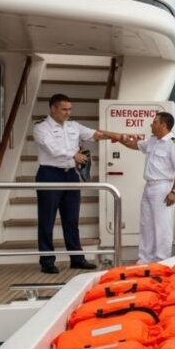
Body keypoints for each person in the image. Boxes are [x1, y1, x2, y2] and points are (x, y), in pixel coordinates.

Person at [32, 93, 111, 274]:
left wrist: (118, 136)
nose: (68, 113)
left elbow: (94, 134)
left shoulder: (73, 126)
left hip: (70, 175)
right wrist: (73, 154)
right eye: (64, 109)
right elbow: (52, 149)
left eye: (70, 109)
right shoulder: (41, 128)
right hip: (49, 174)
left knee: (72, 219)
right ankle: (47, 261)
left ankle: (77, 258)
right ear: (53, 109)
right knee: (47, 219)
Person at [114, 112, 175, 264]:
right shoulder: (153, 141)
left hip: (163, 187)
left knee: (161, 226)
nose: (151, 125)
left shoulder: (174, 144)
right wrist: (118, 139)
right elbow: (135, 145)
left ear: (163, 125)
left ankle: (161, 260)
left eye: (154, 122)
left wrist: (174, 191)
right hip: (149, 186)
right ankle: (144, 259)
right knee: (146, 224)